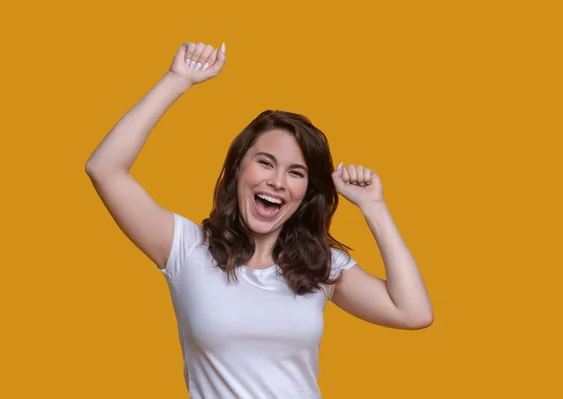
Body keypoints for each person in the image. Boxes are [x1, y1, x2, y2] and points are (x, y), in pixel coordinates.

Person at [85, 41, 433, 399]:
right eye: (265, 162)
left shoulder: (319, 264)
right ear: (239, 169)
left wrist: (374, 207)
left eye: (295, 172)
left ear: (305, 192)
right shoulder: (186, 249)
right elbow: (104, 168)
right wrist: (177, 79)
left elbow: (413, 312)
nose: (277, 182)